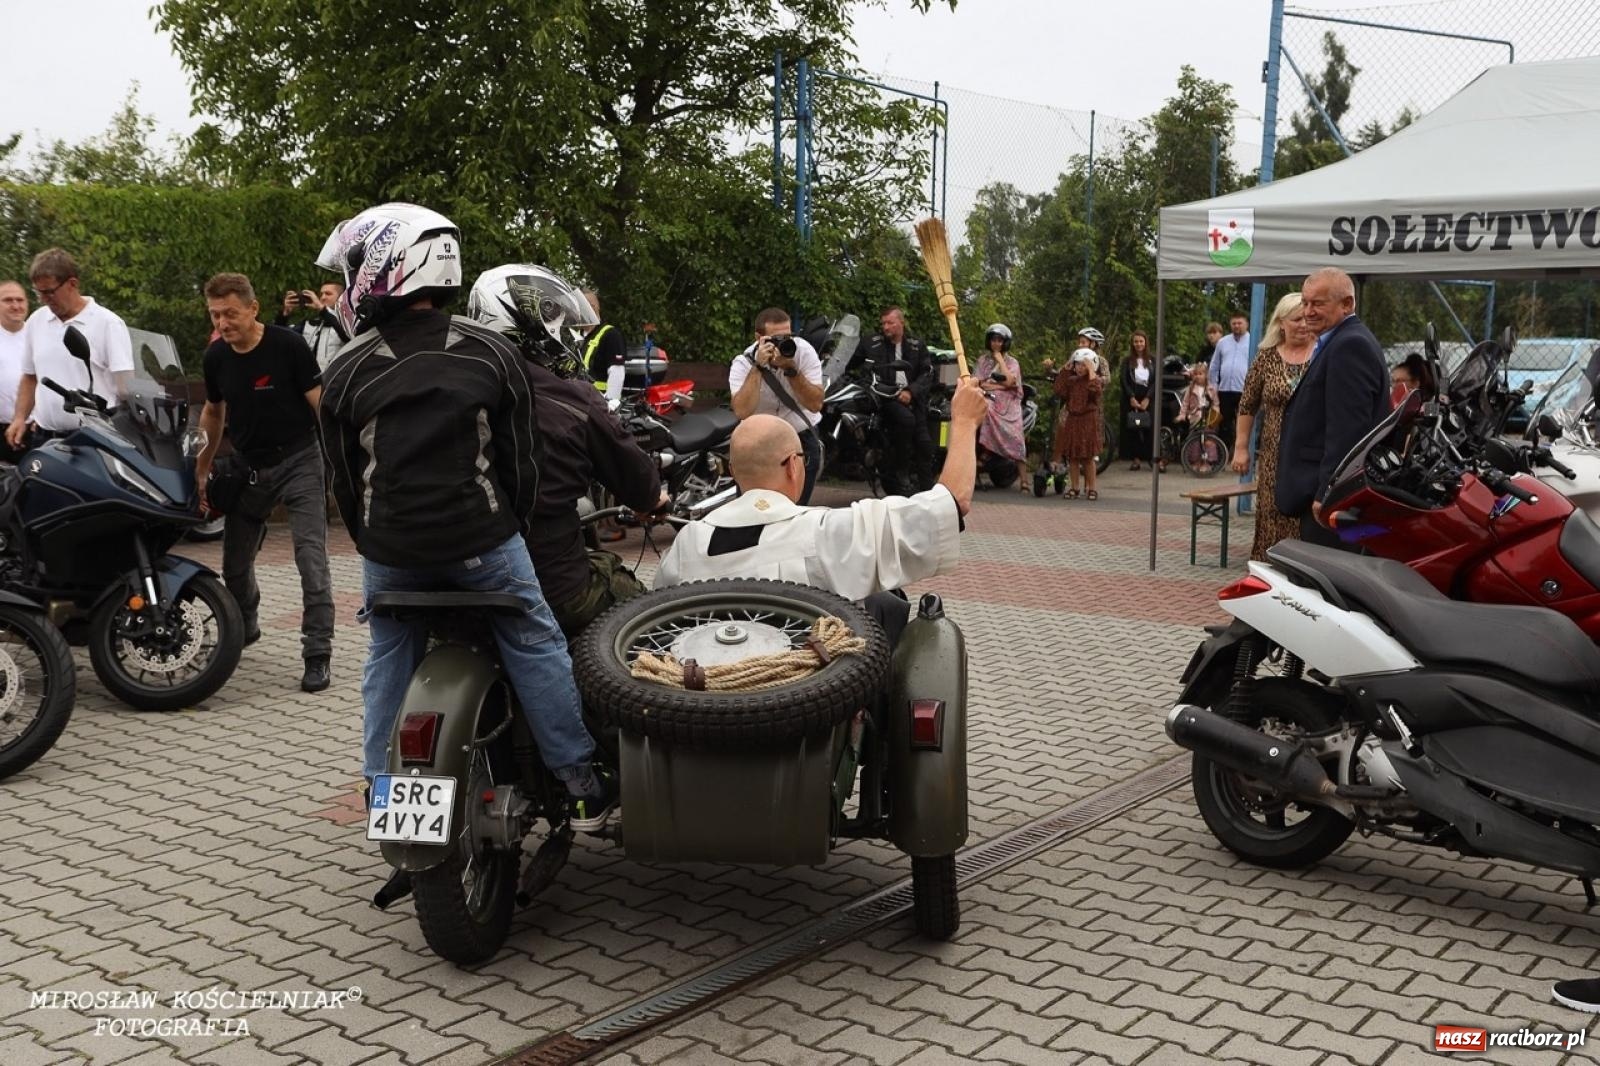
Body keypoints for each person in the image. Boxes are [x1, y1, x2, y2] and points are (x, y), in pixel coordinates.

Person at [316, 203, 614, 859]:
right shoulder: (491, 352)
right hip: (484, 545)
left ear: (387, 268)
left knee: (387, 654)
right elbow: (521, 468)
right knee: (534, 636)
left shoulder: (344, 367)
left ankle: (379, 788)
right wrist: (504, 524)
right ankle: (581, 783)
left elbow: (341, 480)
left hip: (390, 553)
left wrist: (376, 546)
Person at [655, 377, 985, 609]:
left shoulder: (687, 545)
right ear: (792, 466)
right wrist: (965, 421)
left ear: (733, 472)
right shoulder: (826, 533)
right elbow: (952, 503)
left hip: (703, 702)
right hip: (807, 703)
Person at [466, 263, 664, 635]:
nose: (570, 338)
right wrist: (653, 499)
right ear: (534, 327)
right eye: (562, 326)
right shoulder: (572, 397)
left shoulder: (452, 386)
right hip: (551, 586)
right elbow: (641, 487)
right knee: (639, 609)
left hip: (448, 585)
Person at [194, 273, 335, 693]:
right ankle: (245, 625)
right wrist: (202, 466)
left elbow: (320, 404)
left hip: (300, 460)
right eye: (216, 315)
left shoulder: (288, 345)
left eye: (231, 314)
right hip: (249, 468)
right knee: (234, 565)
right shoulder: (216, 357)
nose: (223, 323)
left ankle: (317, 652)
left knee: (311, 558)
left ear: (253, 309)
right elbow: (213, 413)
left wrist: (344, 461)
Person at [1277, 267, 1389, 550]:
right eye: (1305, 302)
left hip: (1330, 501)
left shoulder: (1349, 345)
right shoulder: (1339, 341)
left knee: (1329, 580)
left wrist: (1330, 493)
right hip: (1324, 494)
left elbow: (1347, 431)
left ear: (1347, 304)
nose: (1308, 311)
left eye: (1319, 303)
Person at [6, 249, 133, 450]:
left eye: (49, 292)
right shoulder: (37, 321)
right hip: (45, 438)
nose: (43, 299)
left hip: (94, 441)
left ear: (72, 284)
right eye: (38, 293)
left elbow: (126, 389)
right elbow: (30, 377)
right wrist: (20, 418)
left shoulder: (108, 323)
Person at [1231, 293, 1315, 561]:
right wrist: (1241, 447)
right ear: (1281, 323)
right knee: (1270, 515)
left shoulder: (1324, 353)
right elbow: (1247, 405)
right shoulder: (1265, 358)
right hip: (1273, 457)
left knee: (1303, 519)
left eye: (1306, 318)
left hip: (1309, 456)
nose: (1303, 324)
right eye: (1296, 319)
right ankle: (1269, 572)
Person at [729, 307, 825, 504]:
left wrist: (790, 368)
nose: (784, 343)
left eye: (788, 336)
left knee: (794, 512)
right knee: (753, 511)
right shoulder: (743, 363)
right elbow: (742, 411)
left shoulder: (803, 352)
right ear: (759, 338)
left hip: (800, 440)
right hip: (759, 443)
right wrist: (758, 368)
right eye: (776, 339)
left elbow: (815, 404)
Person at [856, 307, 935, 495]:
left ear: (901, 323)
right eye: (883, 323)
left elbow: (927, 372)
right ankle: (901, 470)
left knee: (924, 443)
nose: (885, 327)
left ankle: (928, 492)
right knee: (906, 420)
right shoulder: (871, 343)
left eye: (890, 322)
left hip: (913, 398)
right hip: (886, 397)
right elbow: (851, 362)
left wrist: (911, 391)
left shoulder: (916, 344)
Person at [975, 323, 1028, 492]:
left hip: (1008, 402)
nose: (996, 344)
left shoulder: (1012, 362)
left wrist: (999, 360)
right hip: (986, 396)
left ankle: (1024, 480)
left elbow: (1011, 382)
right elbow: (978, 381)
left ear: (1005, 343)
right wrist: (993, 385)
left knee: (1016, 436)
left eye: (999, 340)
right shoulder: (983, 361)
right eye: (993, 340)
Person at [1054, 348, 1103, 501]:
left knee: (1088, 457)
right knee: (1073, 457)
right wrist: (1064, 370)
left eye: (1084, 365)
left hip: (1088, 420)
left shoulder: (1094, 381)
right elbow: (1059, 390)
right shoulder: (1071, 381)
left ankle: (1092, 488)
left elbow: (1096, 391)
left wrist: (1091, 371)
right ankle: (1074, 487)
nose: (1080, 368)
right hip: (1073, 420)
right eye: (1078, 365)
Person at [276, 281, 350, 372]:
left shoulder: (348, 324)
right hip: (310, 382)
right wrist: (285, 314)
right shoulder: (310, 324)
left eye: (328, 294)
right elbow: (280, 338)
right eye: (321, 294)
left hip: (336, 381)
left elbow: (345, 335)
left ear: (341, 298)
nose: (322, 297)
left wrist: (322, 309)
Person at [1209, 313, 1251, 443]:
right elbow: (1214, 366)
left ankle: (1243, 451)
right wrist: (1213, 386)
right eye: (1234, 323)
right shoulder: (1223, 342)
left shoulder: (1253, 340)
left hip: (1245, 390)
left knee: (1244, 423)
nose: (1237, 326)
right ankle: (1224, 454)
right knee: (1225, 423)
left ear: (1246, 324)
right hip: (1225, 389)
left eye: (1240, 323)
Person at [1120, 330, 1156, 471]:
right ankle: (1135, 459)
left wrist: (1148, 397)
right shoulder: (1127, 361)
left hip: (1148, 397)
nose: (1138, 344)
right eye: (1136, 341)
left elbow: (1156, 380)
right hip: (1133, 397)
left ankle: (1152, 458)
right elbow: (1123, 380)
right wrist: (1131, 397)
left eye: (1141, 341)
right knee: (1134, 427)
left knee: (1150, 428)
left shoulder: (1153, 359)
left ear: (1145, 342)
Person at [0, 281, 27, 461]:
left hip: (33, 430)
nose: (16, 306)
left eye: (20, 300)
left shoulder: (39, 335)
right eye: (8, 300)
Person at [581, 290, 628, 386]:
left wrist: (611, 399)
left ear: (594, 307)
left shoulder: (611, 335)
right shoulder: (575, 336)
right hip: (577, 396)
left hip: (598, 398)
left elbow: (617, 373)